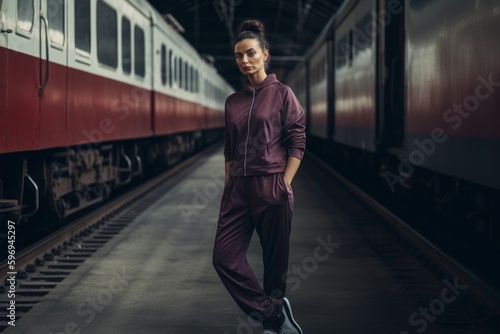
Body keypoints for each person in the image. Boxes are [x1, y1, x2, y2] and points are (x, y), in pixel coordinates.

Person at [212, 19, 306, 334]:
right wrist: (229, 184)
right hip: (238, 187)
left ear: (265, 55)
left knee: (274, 265)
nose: (244, 61)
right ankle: (275, 312)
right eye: (239, 56)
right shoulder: (232, 102)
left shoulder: (282, 94)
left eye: (251, 53)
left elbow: (297, 141)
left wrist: (284, 182)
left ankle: (270, 324)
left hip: (272, 184)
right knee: (224, 258)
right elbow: (228, 147)